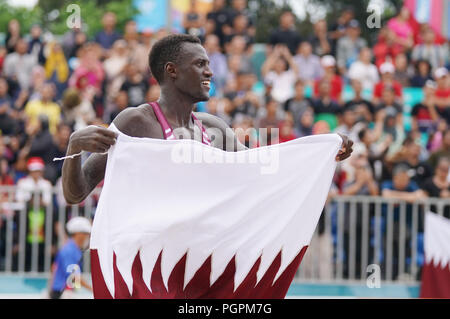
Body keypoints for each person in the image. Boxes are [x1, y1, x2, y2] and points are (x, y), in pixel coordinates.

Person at [61, 34, 353, 295]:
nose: (210, 71)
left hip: (199, 268)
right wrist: (75, 146)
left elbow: (263, 166)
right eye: (200, 64)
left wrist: (321, 150)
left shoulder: (213, 128)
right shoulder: (136, 122)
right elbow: (76, 193)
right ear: (171, 71)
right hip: (149, 269)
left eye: (209, 64)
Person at [49, 216, 93, 299]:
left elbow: (54, 268)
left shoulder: (73, 249)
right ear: (78, 233)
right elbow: (73, 276)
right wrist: (93, 289)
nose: (88, 237)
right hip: (61, 293)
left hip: (62, 292)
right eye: (86, 233)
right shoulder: (70, 250)